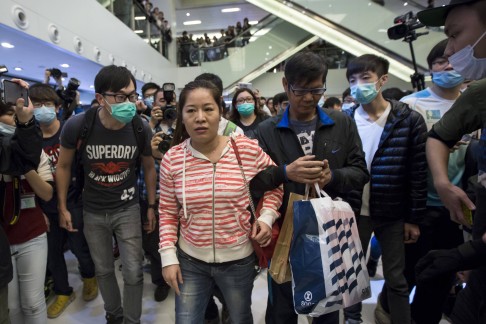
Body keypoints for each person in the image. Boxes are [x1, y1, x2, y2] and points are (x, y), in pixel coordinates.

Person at [255, 51, 369, 324]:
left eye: (317, 90)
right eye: (301, 90)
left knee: (327, 306)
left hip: (329, 230)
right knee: (282, 307)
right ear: (285, 85)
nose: (308, 98)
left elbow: (360, 172)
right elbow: (255, 181)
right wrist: (285, 172)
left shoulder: (341, 122)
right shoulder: (267, 130)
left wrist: (333, 178)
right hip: (285, 230)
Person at [159, 80, 283, 324]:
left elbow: (275, 183)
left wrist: (267, 218)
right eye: (191, 110)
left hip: (238, 259)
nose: (200, 118)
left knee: (239, 317)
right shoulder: (173, 159)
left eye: (208, 109)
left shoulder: (245, 149)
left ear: (222, 113)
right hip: (190, 260)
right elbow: (167, 212)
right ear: (182, 116)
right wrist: (168, 257)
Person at [56, 65, 157, 324]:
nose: (130, 103)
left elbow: (148, 167)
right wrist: (63, 207)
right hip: (93, 210)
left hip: (127, 208)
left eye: (133, 96)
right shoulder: (79, 125)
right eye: (121, 97)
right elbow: (64, 166)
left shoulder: (139, 127)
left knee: (134, 271)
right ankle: (114, 314)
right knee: (103, 269)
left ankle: (132, 320)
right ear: (101, 98)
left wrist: (151, 206)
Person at [413, 0, 486, 323]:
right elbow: (438, 137)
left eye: (455, 34)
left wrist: (467, 253)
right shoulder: (480, 94)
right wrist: (442, 183)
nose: (452, 49)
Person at [343, 54, 427, 324]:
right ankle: (353, 319)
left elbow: (418, 172)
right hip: (354, 210)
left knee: (396, 278)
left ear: (382, 80)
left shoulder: (407, 120)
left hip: (392, 210)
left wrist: (414, 218)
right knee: (351, 276)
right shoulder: (344, 120)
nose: (358, 86)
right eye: (352, 80)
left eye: (365, 78)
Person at [399, 39, 466, 323]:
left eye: (453, 60)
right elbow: (398, 161)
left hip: (462, 209)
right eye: (440, 62)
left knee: (441, 276)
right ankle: (391, 308)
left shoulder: (473, 101)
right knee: (410, 271)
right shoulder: (410, 105)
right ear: (430, 69)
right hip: (420, 206)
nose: (448, 65)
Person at [27, 83, 98, 319]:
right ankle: (63, 291)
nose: (42, 109)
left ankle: (89, 277)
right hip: (46, 205)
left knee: (80, 247)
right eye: (36, 105)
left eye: (47, 104)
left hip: (74, 200)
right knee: (52, 252)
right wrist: (42, 210)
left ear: (57, 107)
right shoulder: (31, 138)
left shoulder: (69, 132)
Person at [0, 100, 54, 323]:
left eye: (20, 114)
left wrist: (24, 164)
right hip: (3, 239)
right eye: (11, 114)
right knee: (11, 306)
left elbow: (47, 194)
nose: (15, 118)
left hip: (32, 234)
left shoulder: (35, 150)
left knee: (33, 303)